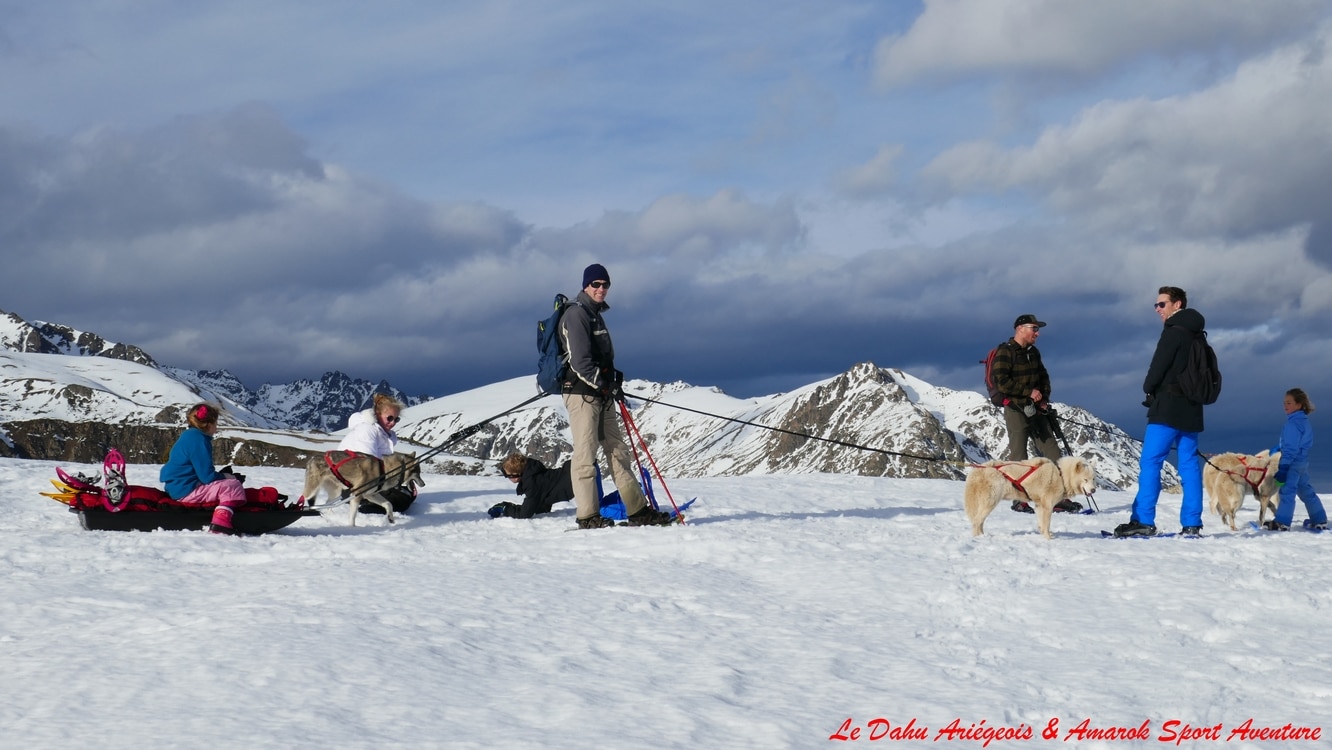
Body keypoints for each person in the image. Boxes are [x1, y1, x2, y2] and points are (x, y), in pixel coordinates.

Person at [559, 263, 672, 529]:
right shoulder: (576, 314)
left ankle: (637, 510)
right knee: (586, 453)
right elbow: (580, 362)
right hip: (581, 394)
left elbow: (596, 358)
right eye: (596, 284)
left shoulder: (594, 313)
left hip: (600, 393)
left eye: (605, 284)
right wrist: (604, 383)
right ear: (586, 285)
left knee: (618, 450)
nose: (601, 289)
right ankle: (587, 516)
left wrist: (610, 381)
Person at [1114, 286, 1207, 537]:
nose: (1157, 309)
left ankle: (1143, 520)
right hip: (1192, 409)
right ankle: (1192, 523)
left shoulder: (1173, 332)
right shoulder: (1198, 334)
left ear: (1177, 305)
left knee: (1151, 462)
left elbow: (1158, 367)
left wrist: (1148, 387)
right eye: (1155, 305)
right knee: (1188, 465)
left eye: (1161, 304)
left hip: (1167, 407)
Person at [991, 314, 1078, 513]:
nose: (1037, 333)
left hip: (1037, 410)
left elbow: (1044, 378)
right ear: (1020, 328)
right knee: (1019, 455)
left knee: (1052, 451)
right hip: (1015, 408)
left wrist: (1043, 398)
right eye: (1034, 328)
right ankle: (1018, 499)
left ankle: (1058, 498)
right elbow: (1001, 381)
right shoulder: (1005, 352)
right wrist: (1028, 392)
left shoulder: (1033, 352)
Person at [160, 403, 247, 535]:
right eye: (216, 424)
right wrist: (228, 478)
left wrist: (221, 476)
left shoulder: (188, 435)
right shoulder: (199, 440)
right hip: (186, 490)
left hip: (177, 487)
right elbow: (207, 477)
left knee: (226, 483)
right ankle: (221, 522)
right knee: (233, 486)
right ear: (209, 424)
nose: (216, 428)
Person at [1264, 388, 1327, 531]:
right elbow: (1298, 443)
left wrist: (1284, 467)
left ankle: (1282, 522)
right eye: (1284, 402)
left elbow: (1291, 449)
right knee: (1305, 490)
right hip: (1302, 462)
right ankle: (1320, 519)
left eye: (1289, 403)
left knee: (1287, 491)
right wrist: (1279, 447)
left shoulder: (1292, 424)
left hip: (1292, 463)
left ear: (1299, 404)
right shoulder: (1304, 421)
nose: (1285, 405)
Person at [488, 453, 574, 519]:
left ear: (515, 475)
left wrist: (504, 508)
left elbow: (524, 514)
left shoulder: (532, 483)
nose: (507, 477)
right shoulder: (536, 474)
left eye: (507, 475)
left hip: (576, 478)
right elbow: (541, 501)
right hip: (573, 470)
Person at [338, 393, 402, 457]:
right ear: (377, 414)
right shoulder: (367, 429)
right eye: (390, 418)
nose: (393, 422)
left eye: (396, 419)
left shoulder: (384, 435)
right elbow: (367, 461)